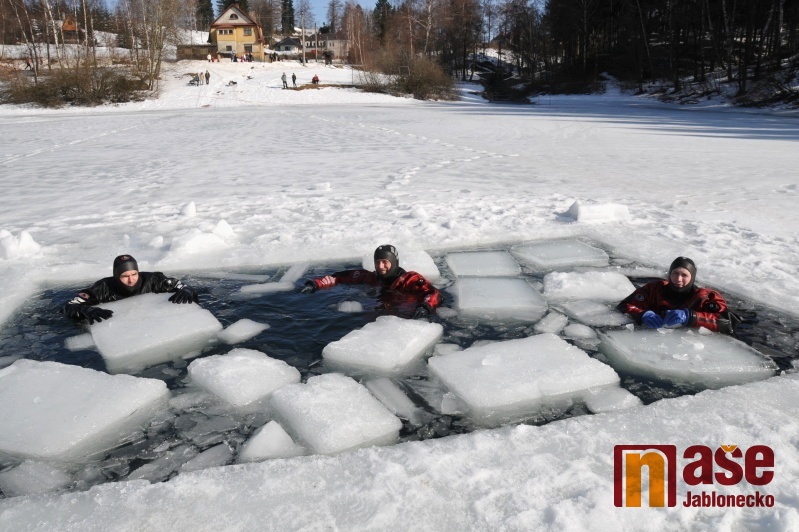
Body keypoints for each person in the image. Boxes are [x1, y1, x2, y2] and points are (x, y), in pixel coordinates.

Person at [301, 245, 441, 319]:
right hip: (377, 319)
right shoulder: (372, 277)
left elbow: (434, 294)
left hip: (405, 318)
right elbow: (340, 277)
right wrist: (315, 284)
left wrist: (425, 307)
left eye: (385, 262)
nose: (380, 266)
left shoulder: (410, 279)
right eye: (377, 262)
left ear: (394, 262)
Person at [63, 255, 199, 324]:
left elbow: (181, 285)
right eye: (125, 276)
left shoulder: (152, 280)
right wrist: (86, 310)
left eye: (134, 274)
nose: (131, 280)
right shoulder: (102, 288)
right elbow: (68, 306)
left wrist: (187, 291)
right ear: (116, 276)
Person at [617, 256, 730, 333]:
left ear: (692, 277)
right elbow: (624, 305)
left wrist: (691, 317)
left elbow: (728, 323)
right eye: (675, 273)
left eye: (684, 275)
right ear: (670, 274)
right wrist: (642, 314)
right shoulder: (653, 289)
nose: (678, 279)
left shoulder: (705, 297)